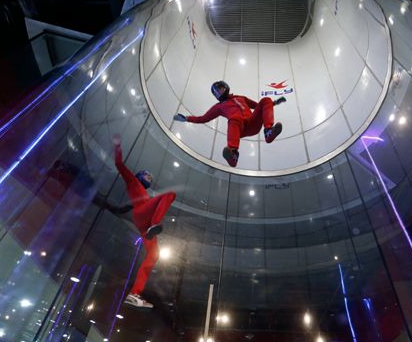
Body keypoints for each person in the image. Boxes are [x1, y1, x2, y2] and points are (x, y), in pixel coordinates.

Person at [112, 134, 176, 308]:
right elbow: (119, 164)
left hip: (144, 226)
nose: (150, 177)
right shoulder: (132, 181)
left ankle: (134, 294)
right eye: (147, 175)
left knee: (154, 255)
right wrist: (117, 146)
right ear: (139, 175)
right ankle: (154, 225)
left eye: (151, 178)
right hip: (142, 213)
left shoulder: (145, 192)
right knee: (170, 195)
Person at [173, 81, 285, 167]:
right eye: (216, 92)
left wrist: (273, 103)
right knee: (234, 118)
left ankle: (268, 131)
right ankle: (233, 153)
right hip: (239, 128)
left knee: (265, 99)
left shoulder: (240, 98)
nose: (219, 93)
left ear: (225, 87)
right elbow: (203, 118)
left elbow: (258, 106)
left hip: (252, 123)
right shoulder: (218, 107)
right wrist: (187, 118)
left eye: (220, 89)